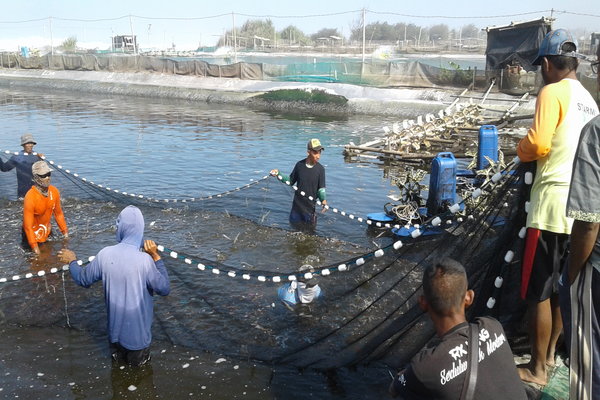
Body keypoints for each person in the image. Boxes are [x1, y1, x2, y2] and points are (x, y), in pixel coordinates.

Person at [516, 28, 599, 386]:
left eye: (541, 67)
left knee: (538, 292)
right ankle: (550, 355)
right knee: (566, 284)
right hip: (582, 211)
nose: (541, 73)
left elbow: (538, 144)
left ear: (548, 64)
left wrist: (518, 152)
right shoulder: (590, 100)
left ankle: (536, 370)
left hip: (549, 206)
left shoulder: (551, 91)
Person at [389, 257, 527, 399]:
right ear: (469, 297)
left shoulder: (425, 366)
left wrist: (408, 375)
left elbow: (394, 389)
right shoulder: (493, 326)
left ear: (423, 303)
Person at [58, 205, 170, 366]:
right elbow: (164, 288)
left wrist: (72, 261)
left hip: (114, 337)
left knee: (117, 377)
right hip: (137, 341)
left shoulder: (105, 254)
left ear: (121, 227)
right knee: (142, 382)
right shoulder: (145, 261)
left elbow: (83, 279)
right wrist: (156, 257)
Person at [558, 46, 600, 400]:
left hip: (595, 266)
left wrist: (572, 274)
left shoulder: (596, 131)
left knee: (589, 364)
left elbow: (588, 221)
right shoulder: (588, 100)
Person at [270, 138, 327, 230]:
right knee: (293, 231)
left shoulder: (320, 169)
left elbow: (321, 189)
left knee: (309, 233)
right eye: (315, 152)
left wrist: (323, 201)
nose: (318, 156)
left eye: (320, 152)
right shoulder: (299, 165)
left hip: (309, 209)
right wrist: (278, 174)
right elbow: (290, 180)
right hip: (296, 208)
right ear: (308, 152)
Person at [23, 160, 68, 255]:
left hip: (46, 232)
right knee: (37, 264)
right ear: (36, 177)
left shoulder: (54, 191)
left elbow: (58, 214)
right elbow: (28, 227)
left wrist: (65, 234)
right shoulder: (30, 197)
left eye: (49, 174)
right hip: (31, 236)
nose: (47, 177)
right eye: (43, 176)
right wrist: (35, 250)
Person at [0, 133, 44, 198]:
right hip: (23, 191)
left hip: (36, 189)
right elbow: (4, 168)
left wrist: (42, 160)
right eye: (28, 143)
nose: (30, 145)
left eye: (32, 143)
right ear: (23, 145)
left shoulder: (37, 156)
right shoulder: (17, 157)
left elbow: (43, 173)